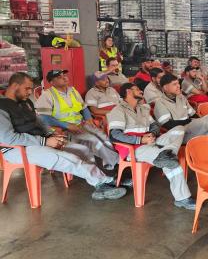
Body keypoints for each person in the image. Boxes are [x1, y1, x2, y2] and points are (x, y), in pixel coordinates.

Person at [0, 72, 126, 200]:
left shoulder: (25, 102)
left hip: (39, 141)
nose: (30, 92)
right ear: (15, 86)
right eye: (27, 88)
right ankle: (102, 182)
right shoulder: (2, 107)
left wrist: (51, 134)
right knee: (68, 158)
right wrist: (44, 141)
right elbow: (9, 138)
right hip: (17, 149)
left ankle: (103, 179)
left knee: (83, 150)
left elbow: (39, 121)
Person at [107, 83, 195, 210]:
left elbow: (155, 125)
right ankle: (183, 198)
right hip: (135, 148)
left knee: (180, 129)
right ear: (128, 92)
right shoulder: (118, 110)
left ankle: (166, 153)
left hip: (152, 141)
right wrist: (140, 139)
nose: (141, 91)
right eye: (137, 89)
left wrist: (152, 134)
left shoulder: (142, 108)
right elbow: (114, 135)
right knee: (170, 161)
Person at [35, 70, 119, 171]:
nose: (64, 78)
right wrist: (67, 125)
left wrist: (89, 119)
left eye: (64, 75)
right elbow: (43, 117)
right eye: (59, 77)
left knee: (103, 136)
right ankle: (104, 169)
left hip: (81, 124)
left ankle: (113, 163)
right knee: (94, 140)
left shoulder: (72, 91)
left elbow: (84, 107)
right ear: (52, 82)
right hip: (65, 129)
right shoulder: (47, 95)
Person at [154, 74, 208, 177]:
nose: (178, 86)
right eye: (174, 84)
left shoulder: (181, 97)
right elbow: (167, 125)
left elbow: (193, 115)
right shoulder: (160, 103)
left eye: (178, 83)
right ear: (165, 87)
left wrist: (200, 122)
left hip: (190, 129)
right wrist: (190, 121)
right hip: (179, 136)